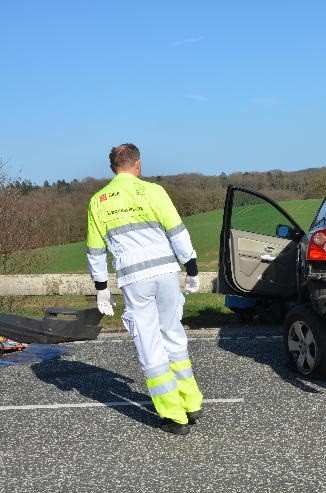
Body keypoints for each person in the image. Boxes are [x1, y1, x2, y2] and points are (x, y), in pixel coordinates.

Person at [86, 143, 203, 435]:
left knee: (150, 345)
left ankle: (173, 416)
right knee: (173, 334)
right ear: (137, 165)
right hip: (165, 272)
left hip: (134, 279)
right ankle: (191, 402)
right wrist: (191, 267)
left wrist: (102, 288)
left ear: (113, 167)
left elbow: (95, 252)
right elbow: (177, 231)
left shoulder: (98, 201)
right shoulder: (153, 191)